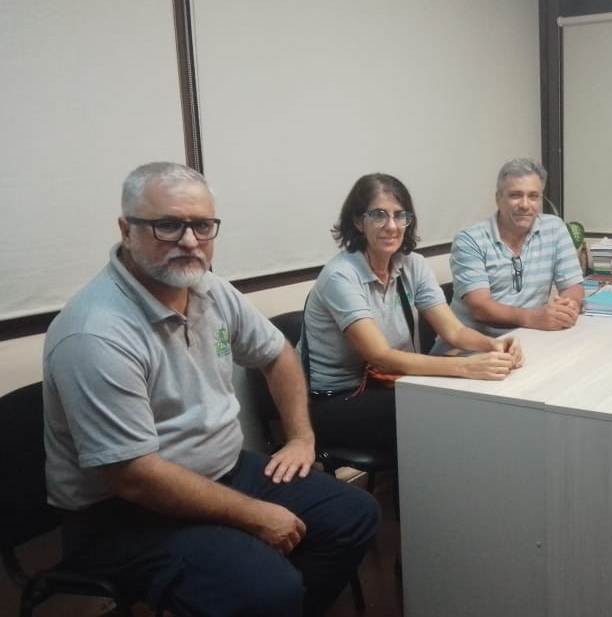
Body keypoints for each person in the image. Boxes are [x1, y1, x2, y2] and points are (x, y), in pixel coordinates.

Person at [43, 162, 379, 617]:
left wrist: (301, 438)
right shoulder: (95, 332)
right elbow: (133, 476)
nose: (189, 240)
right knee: (267, 589)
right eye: (168, 225)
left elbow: (277, 355)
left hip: (223, 470)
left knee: (355, 515)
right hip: (125, 513)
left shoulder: (211, 291)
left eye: (202, 226)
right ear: (126, 230)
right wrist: (255, 515)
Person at [301, 173, 523, 457]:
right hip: (338, 399)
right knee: (439, 411)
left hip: (389, 383)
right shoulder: (340, 276)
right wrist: (466, 367)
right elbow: (380, 356)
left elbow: (453, 331)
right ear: (358, 222)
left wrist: (493, 345)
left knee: (470, 399)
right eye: (379, 215)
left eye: (399, 215)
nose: (392, 226)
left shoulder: (412, 265)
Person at [437, 158, 584, 351]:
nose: (525, 205)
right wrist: (534, 318)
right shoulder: (470, 240)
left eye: (533, 196)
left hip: (527, 340)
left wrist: (567, 307)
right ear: (498, 199)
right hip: (469, 349)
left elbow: (573, 286)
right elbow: (481, 308)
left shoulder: (554, 228)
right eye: (515, 195)